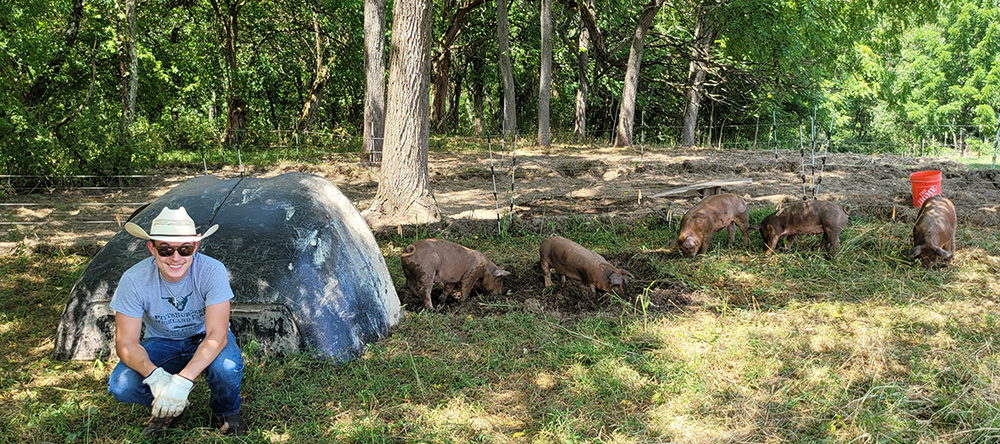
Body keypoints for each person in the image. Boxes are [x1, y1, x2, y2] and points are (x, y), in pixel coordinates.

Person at [107, 206, 247, 437]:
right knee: (122, 384)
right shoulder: (133, 280)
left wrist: (182, 381)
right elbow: (126, 343)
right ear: (151, 247)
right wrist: (155, 377)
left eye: (185, 249)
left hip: (203, 336)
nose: (176, 257)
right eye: (165, 250)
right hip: (162, 340)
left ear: (196, 247)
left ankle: (226, 411)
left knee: (227, 367)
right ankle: (169, 407)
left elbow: (217, 335)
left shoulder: (213, 271)